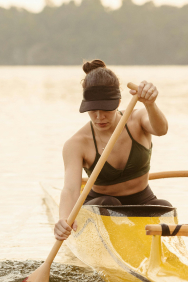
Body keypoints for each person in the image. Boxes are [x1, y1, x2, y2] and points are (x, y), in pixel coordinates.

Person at [54, 59, 171, 241]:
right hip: (101, 205)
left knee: (164, 207)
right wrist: (63, 218)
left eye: (106, 109)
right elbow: (70, 190)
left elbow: (161, 130)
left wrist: (150, 104)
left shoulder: (138, 118)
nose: (99, 117)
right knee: (110, 204)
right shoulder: (76, 143)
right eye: (92, 110)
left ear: (118, 102)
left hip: (142, 200)